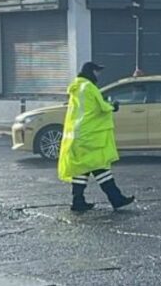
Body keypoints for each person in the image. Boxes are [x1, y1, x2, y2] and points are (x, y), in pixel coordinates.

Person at [57, 62, 134, 212]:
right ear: (91, 71)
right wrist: (114, 106)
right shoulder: (89, 87)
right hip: (90, 135)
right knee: (100, 166)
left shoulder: (77, 87)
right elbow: (102, 107)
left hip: (78, 134)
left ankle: (78, 201)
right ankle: (116, 199)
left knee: (82, 169)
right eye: (97, 71)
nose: (99, 74)